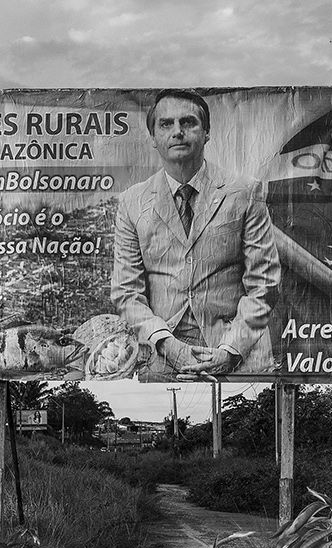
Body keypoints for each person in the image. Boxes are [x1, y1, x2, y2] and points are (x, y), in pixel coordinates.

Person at [111, 89, 280, 379]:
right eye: (166, 124)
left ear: (206, 133)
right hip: (161, 353)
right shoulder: (131, 202)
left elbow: (264, 285)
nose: (177, 132)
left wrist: (230, 350)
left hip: (237, 350)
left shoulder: (244, 192)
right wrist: (167, 344)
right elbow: (127, 294)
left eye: (188, 122)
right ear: (153, 138)